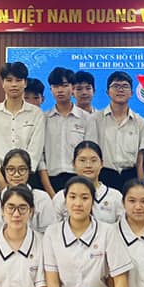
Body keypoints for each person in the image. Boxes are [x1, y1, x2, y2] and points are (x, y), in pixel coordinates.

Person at [0, 62, 46, 192]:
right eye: (9, 80)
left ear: (25, 83)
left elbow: (35, 151)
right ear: (2, 83)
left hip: (27, 176)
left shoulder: (37, 113)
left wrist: (20, 176)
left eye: (18, 80)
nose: (14, 84)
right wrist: (3, 184)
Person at [41, 66, 97, 196]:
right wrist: (49, 190)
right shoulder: (44, 118)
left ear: (72, 88)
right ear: (51, 89)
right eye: (55, 86)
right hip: (50, 180)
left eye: (65, 85)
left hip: (79, 179)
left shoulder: (87, 119)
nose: (60, 90)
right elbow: (40, 156)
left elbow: (90, 153)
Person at [0, 150, 55, 237]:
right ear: (4, 170)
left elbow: (48, 235)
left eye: (22, 169)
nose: (16, 174)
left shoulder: (42, 198)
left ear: (29, 170)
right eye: (11, 169)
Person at [93, 71, 144, 188]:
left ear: (132, 93)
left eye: (125, 86)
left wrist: (142, 185)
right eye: (116, 86)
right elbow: (91, 152)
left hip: (130, 176)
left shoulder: (140, 122)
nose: (120, 90)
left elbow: (140, 157)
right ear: (108, 92)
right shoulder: (95, 119)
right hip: (103, 175)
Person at [51, 141, 122, 224]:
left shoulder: (115, 196)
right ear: (73, 164)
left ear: (101, 164)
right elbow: (54, 228)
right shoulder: (61, 197)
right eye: (82, 160)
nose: (88, 165)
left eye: (93, 160)